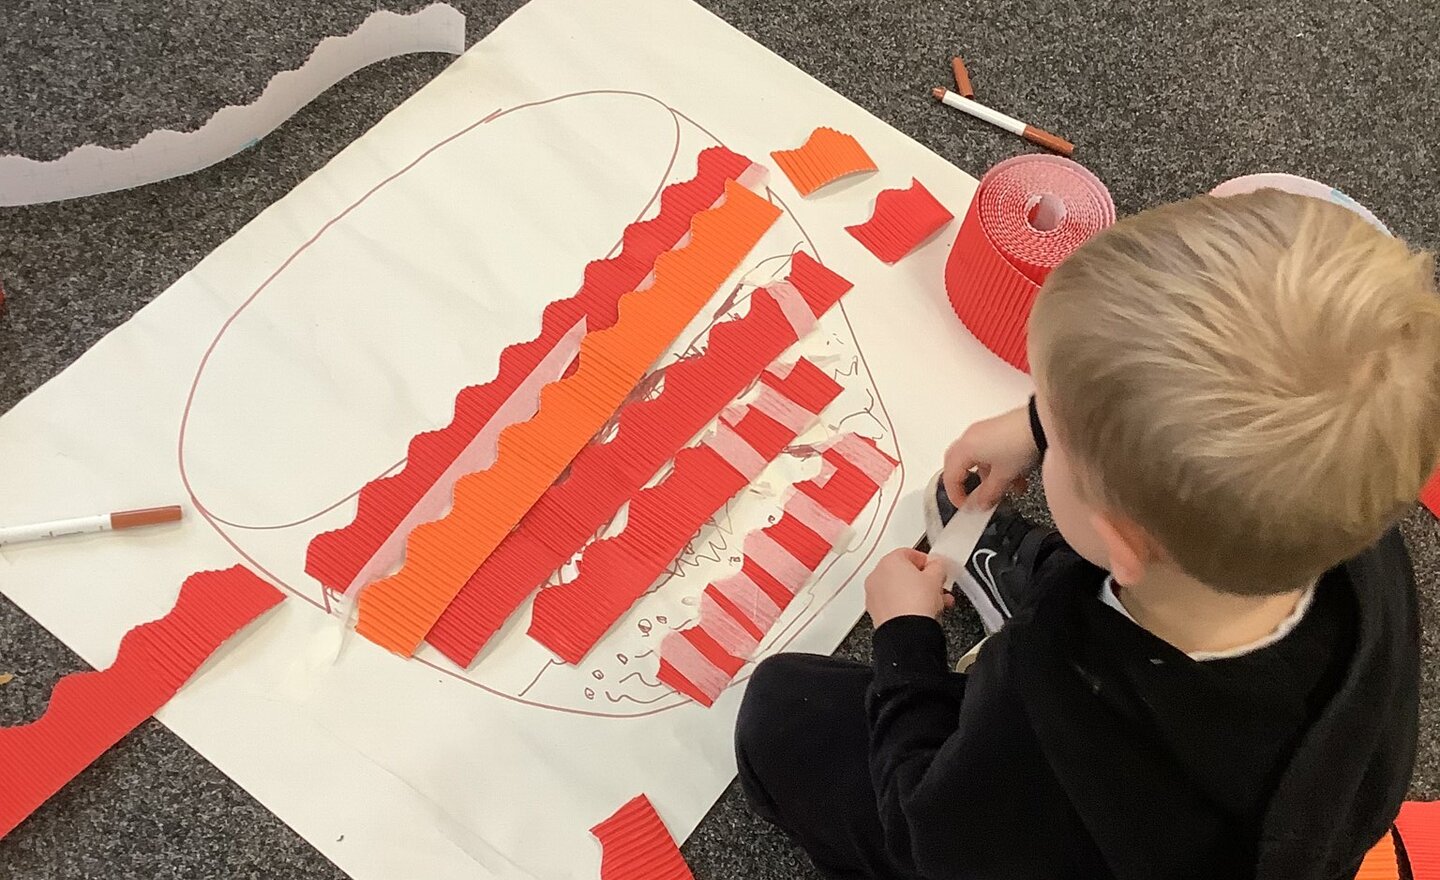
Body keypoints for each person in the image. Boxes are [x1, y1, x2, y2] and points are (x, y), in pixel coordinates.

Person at [734, 189, 1440, 879]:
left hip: (1057, 823)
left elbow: (932, 834)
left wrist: (905, 641)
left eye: (1057, 444)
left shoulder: (1056, 718)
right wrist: (1045, 425)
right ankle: (1069, 582)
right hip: (1277, 790)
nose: (1044, 439)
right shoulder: (1346, 524)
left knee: (780, 711)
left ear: (1122, 547)